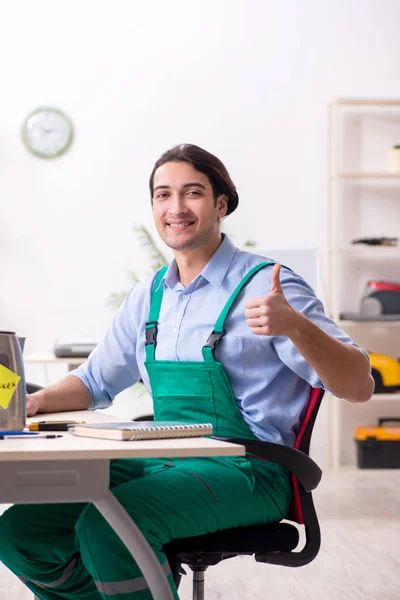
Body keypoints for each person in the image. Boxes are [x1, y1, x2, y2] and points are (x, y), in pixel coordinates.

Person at [0, 144, 374, 600]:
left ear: (220, 204)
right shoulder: (150, 294)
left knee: (111, 528)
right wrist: (31, 402)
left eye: (192, 192)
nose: (176, 208)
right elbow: (95, 382)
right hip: (161, 460)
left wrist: (293, 325)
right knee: (22, 529)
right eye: (163, 195)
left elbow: (358, 385)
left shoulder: (268, 286)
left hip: (249, 471)